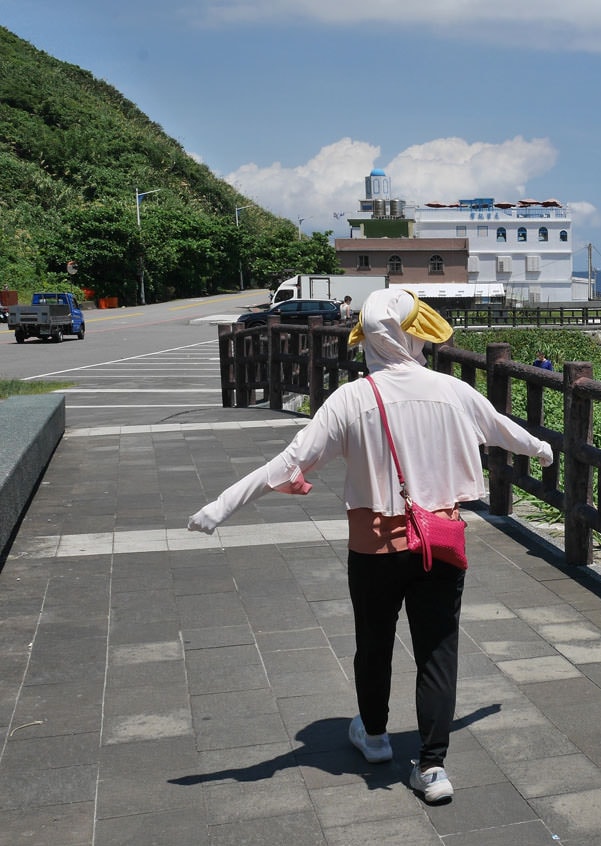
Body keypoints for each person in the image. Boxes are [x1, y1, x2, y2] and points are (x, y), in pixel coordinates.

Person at [187, 286, 552, 803]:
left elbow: (287, 463)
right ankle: (431, 767)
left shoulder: (352, 399)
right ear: (411, 335)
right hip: (439, 545)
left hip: (375, 550)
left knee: (374, 644)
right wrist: (543, 450)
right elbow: (504, 431)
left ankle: (376, 736)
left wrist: (220, 507)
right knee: (438, 650)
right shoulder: (451, 391)